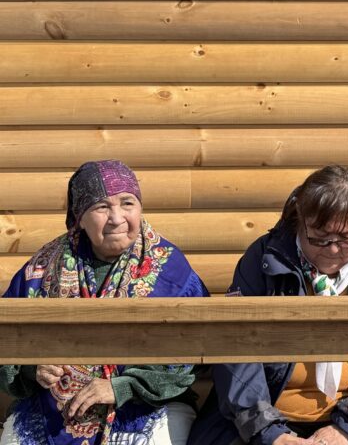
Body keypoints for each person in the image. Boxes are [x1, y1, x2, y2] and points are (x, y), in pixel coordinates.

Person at [187, 165, 348, 445]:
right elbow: (236, 349)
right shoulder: (264, 257)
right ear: (300, 220)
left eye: (347, 239)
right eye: (320, 238)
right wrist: (271, 434)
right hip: (269, 415)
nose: (333, 249)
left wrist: (346, 430)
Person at [0, 159, 208, 445]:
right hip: (50, 412)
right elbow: (6, 338)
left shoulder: (170, 270)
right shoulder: (41, 270)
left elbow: (192, 351)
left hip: (144, 409)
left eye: (127, 203)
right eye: (101, 207)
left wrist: (120, 388)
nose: (117, 218)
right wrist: (30, 369)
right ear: (79, 218)